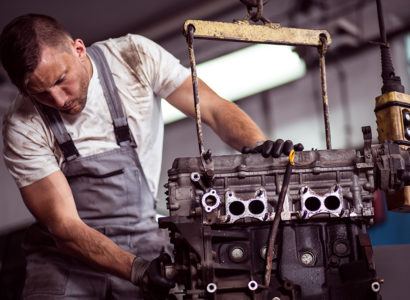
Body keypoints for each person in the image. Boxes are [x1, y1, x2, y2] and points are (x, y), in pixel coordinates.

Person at [0, 14, 301, 299]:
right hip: (64, 259)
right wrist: (138, 270)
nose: (59, 100)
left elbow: (211, 107)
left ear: (78, 49)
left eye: (60, 80)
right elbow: (65, 228)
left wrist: (259, 146)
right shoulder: (22, 126)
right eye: (39, 94)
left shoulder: (133, 57)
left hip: (143, 238)